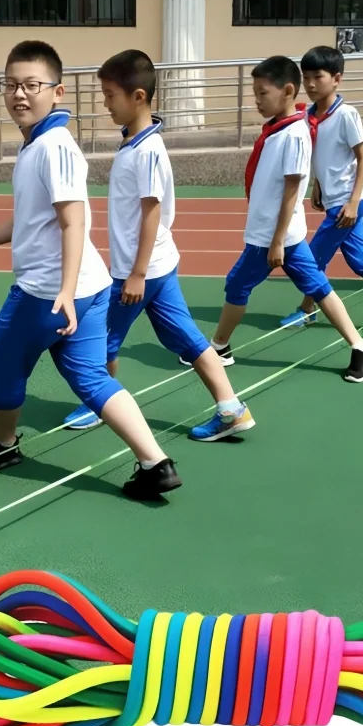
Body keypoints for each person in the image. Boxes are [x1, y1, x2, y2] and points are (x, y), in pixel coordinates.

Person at [0, 40, 182, 500]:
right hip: (87, 287)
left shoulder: (54, 146)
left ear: (57, 92)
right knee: (92, 377)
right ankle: (156, 463)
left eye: (31, 85)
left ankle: (3, 444)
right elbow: (34, 217)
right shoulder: (40, 143)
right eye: (11, 85)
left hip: (52, 292)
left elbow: (72, 220)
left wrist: (64, 289)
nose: (19, 94)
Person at [62, 49, 255, 442]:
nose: (105, 104)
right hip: (158, 266)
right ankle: (231, 408)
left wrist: (135, 273)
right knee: (186, 338)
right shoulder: (136, 143)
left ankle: (99, 403)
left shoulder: (147, 150)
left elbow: (151, 212)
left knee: (101, 340)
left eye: (110, 95)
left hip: (141, 271)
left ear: (138, 97)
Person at [205, 55, 363, 384]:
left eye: (263, 93)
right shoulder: (279, 128)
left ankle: (219, 347)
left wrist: (276, 242)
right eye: (255, 94)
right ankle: (361, 347)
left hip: (274, 236)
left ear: (286, 91)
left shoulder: (294, 135)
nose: (257, 101)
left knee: (237, 285)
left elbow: (291, 191)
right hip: (278, 234)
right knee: (318, 288)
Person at [280, 46, 363, 338]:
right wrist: (318, 184)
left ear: (337, 79)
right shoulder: (309, 116)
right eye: (306, 77)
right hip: (335, 199)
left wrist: (353, 203)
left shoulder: (345, 114)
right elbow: (323, 156)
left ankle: (306, 310)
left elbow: (362, 158)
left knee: (311, 259)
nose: (311, 84)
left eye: (318, 77)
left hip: (347, 202)